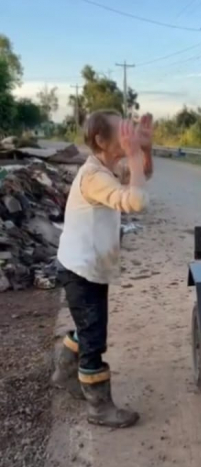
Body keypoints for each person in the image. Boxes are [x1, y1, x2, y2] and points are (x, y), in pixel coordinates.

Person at [49, 110, 155, 428]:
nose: (129, 133)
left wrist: (143, 152)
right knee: (94, 337)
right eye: (122, 130)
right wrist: (135, 155)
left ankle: (64, 373)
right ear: (101, 140)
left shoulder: (104, 168)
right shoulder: (94, 176)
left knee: (88, 325)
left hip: (85, 266)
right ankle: (99, 408)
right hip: (82, 270)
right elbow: (136, 201)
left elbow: (141, 178)